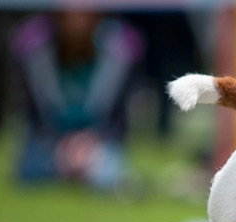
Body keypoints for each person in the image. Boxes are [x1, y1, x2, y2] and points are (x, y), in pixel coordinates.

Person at [10, 10, 143, 189]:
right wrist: (61, 148)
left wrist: (89, 144)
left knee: (109, 173)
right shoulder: (34, 48)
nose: (77, 20)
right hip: (48, 142)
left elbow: (119, 120)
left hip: (99, 141)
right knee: (30, 170)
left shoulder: (120, 49)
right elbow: (31, 115)